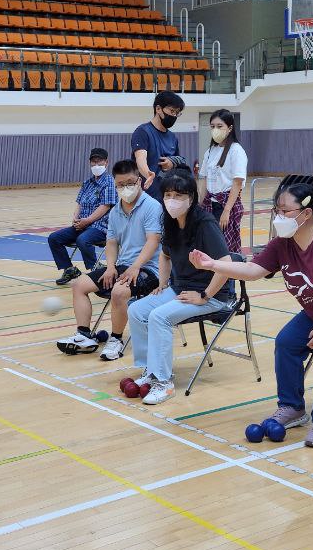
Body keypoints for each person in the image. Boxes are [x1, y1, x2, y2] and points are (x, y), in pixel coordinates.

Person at [191, 181, 313, 448]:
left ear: (306, 213)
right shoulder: (283, 243)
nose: (278, 216)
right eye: (277, 209)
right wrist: (213, 264)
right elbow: (253, 270)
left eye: (285, 211)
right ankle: (292, 407)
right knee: (286, 342)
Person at [126, 166, 234, 405]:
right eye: (168, 196)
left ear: (191, 198)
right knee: (136, 310)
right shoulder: (171, 221)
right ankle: (150, 370)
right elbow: (165, 255)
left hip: (211, 295)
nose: (172, 201)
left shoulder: (205, 224)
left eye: (178, 196)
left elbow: (225, 265)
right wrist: (163, 283)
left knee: (159, 317)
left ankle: (163, 383)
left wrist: (205, 296)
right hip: (180, 289)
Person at [55, 160, 163, 361]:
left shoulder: (152, 207)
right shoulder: (115, 212)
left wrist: (135, 267)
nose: (125, 188)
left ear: (139, 181)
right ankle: (84, 335)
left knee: (119, 291)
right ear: (115, 185)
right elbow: (111, 243)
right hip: (123, 266)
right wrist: (111, 266)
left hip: (149, 269)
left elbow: (153, 241)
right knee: (79, 285)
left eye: (130, 183)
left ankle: (116, 339)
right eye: (121, 185)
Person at [47, 147, 118, 286]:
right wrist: (75, 217)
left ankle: (96, 270)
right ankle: (69, 269)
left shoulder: (109, 182)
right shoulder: (87, 183)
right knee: (54, 238)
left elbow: (105, 206)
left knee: (82, 240)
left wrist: (88, 221)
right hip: (82, 225)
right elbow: (79, 203)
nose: (96, 165)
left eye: (100, 162)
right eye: (93, 162)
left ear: (106, 162)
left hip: (100, 227)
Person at [197, 109, 247, 253]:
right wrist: (200, 203)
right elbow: (204, 178)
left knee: (225, 246)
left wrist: (226, 211)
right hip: (210, 204)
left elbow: (237, 183)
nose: (215, 129)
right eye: (212, 126)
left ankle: (229, 274)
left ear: (230, 128)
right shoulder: (210, 151)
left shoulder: (236, 150)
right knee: (209, 244)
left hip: (226, 205)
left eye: (220, 126)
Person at [132, 91, 184, 201]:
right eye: (172, 111)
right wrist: (148, 174)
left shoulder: (173, 137)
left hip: (168, 196)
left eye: (177, 113)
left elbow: (177, 161)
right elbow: (140, 158)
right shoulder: (143, 131)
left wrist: (171, 163)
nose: (174, 116)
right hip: (146, 196)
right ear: (158, 109)